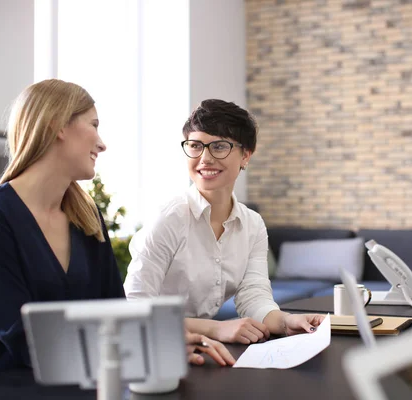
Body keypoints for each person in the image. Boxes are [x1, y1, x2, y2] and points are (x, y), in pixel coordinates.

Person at [0, 79, 232, 371]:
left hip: (91, 381)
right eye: (94, 124)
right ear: (56, 125)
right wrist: (143, 346)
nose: (102, 143)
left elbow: (114, 312)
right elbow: (21, 338)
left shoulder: (85, 216)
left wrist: (166, 340)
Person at [124, 99, 324, 344]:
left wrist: (286, 322)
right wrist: (215, 329)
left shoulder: (252, 224)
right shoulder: (170, 218)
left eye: (219, 146)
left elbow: (253, 296)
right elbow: (135, 308)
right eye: (195, 146)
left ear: (246, 155)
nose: (205, 158)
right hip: (153, 347)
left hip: (201, 347)